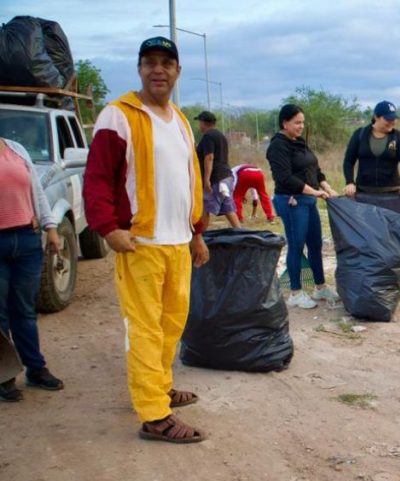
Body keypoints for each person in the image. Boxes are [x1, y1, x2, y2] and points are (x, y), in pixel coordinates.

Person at [83, 36, 209, 443]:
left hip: (177, 243)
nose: (158, 69)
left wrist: (197, 234)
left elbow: (191, 181)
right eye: (150, 62)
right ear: (139, 69)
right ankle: (155, 416)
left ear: (177, 71)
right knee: (145, 328)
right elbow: (98, 177)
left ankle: (160, 386)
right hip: (140, 243)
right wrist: (107, 227)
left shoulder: (181, 120)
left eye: (166, 63)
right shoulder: (118, 116)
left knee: (171, 324)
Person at [0, 137, 64, 402]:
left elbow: (36, 192)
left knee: (25, 310)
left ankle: (35, 369)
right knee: (0, 313)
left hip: (26, 239)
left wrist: (51, 228)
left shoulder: (16, 149)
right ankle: (4, 376)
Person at [265, 104, 339, 309]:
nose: (301, 126)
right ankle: (296, 292)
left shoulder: (299, 143)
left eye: (302, 122)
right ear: (284, 123)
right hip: (292, 201)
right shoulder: (277, 146)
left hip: (309, 201)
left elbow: (314, 169)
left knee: (316, 244)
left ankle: (320, 287)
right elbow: (285, 178)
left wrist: (325, 186)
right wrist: (314, 191)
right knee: (296, 245)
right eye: (297, 122)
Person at [342, 100, 400, 216]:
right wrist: (349, 182)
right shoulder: (359, 135)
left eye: (394, 119)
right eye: (388, 119)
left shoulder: (398, 137)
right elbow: (348, 161)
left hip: (391, 195)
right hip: (364, 193)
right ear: (376, 117)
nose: (392, 122)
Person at [195, 111, 240, 229]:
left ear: (204, 122)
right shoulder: (221, 136)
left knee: (205, 206)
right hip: (226, 177)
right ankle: (241, 232)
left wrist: (206, 180)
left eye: (200, 122)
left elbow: (209, 157)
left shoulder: (208, 136)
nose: (199, 125)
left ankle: (202, 238)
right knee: (228, 207)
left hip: (216, 178)